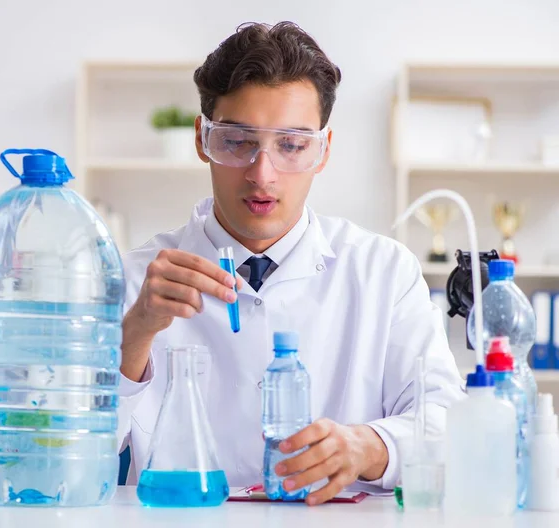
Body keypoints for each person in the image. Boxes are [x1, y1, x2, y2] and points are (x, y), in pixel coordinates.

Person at [118, 21, 464, 506]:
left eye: (292, 145)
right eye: (237, 141)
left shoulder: (383, 272)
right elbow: (65, 454)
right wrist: (132, 338)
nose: (263, 174)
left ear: (322, 150)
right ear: (202, 139)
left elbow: (447, 417)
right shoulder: (135, 280)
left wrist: (370, 447)